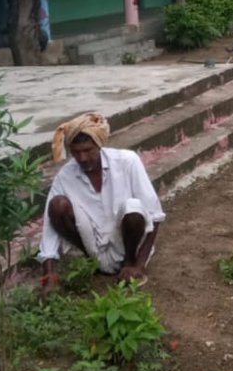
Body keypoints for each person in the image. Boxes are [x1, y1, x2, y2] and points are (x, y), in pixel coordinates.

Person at [38, 112, 165, 291]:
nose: (82, 158)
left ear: (99, 145)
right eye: (76, 152)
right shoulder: (65, 176)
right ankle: (92, 263)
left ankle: (129, 263)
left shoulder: (127, 161)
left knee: (133, 208)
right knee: (57, 205)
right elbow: (49, 229)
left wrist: (140, 264)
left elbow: (155, 215)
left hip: (128, 246)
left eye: (87, 150)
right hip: (92, 247)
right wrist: (49, 274)